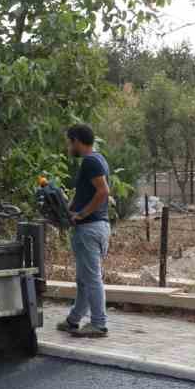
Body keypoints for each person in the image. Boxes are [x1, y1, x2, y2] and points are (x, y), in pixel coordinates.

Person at [57, 124, 112, 338]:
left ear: (77, 140)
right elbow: (91, 193)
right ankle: (74, 320)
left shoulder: (90, 161)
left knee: (92, 279)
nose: (68, 146)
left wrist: (80, 214)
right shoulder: (98, 159)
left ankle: (98, 324)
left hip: (90, 228)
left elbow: (103, 192)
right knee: (84, 279)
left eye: (69, 141)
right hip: (94, 227)